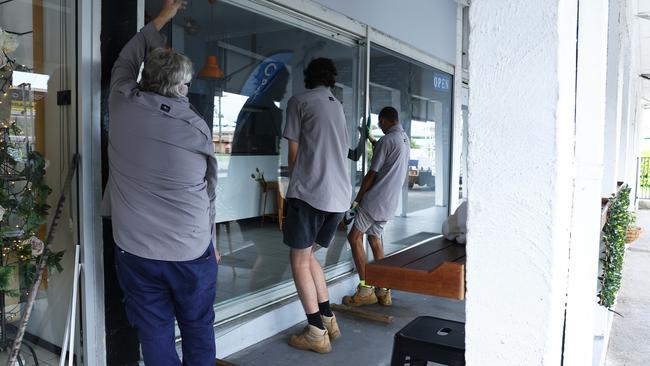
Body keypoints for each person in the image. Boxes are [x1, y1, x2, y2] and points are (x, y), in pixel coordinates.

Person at [103, 1, 219, 364]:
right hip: (189, 250)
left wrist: (165, 15)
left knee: (153, 329)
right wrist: (211, 240)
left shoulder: (121, 103)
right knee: (197, 324)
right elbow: (209, 190)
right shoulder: (195, 127)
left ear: (143, 79)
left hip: (135, 248)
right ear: (182, 88)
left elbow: (126, 58)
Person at [282, 58, 351, 354]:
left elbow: (293, 154)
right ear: (332, 80)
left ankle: (315, 332)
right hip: (339, 196)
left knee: (298, 261)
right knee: (310, 258)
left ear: (307, 77)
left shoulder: (299, 101)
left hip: (310, 193)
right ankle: (328, 320)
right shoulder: (337, 106)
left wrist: (291, 191)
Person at [342, 106, 410, 307]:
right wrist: (370, 138)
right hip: (389, 203)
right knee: (374, 239)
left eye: (380, 122)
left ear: (384, 120)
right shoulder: (403, 140)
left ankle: (365, 289)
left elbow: (371, 174)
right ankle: (384, 290)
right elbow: (386, 152)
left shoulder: (387, 140)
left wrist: (357, 200)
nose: (379, 125)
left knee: (354, 238)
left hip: (374, 201)